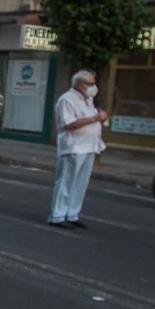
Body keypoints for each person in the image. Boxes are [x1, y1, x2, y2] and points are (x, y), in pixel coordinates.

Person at [49, 69, 106, 228]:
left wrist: (98, 117)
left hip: (89, 146)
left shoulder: (87, 100)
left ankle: (72, 213)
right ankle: (58, 215)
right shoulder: (67, 100)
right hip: (74, 147)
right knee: (66, 182)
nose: (94, 87)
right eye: (91, 84)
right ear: (80, 84)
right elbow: (68, 124)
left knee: (80, 183)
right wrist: (94, 118)